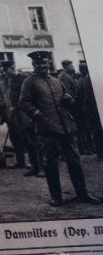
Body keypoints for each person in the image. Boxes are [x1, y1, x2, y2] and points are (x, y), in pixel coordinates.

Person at [19, 50, 99, 206]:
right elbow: (24, 103)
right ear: (34, 65)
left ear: (48, 63)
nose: (43, 66)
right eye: (39, 63)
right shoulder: (29, 82)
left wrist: (69, 99)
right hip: (47, 129)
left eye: (45, 63)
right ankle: (56, 196)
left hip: (67, 128)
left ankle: (83, 194)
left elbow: (69, 100)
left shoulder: (56, 81)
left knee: (74, 160)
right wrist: (39, 116)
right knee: (50, 162)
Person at [0, 61, 41, 176]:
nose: (5, 73)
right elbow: (4, 99)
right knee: (21, 141)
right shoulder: (5, 82)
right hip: (14, 117)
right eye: (3, 71)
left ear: (12, 68)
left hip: (25, 115)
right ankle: (27, 164)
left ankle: (40, 167)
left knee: (33, 141)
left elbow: (28, 98)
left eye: (6, 70)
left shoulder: (23, 79)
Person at [77, 61, 103, 159]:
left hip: (88, 110)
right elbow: (88, 97)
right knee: (98, 131)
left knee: (95, 131)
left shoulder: (80, 80)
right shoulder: (88, 79)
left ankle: (100, 152)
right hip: (93, 110)